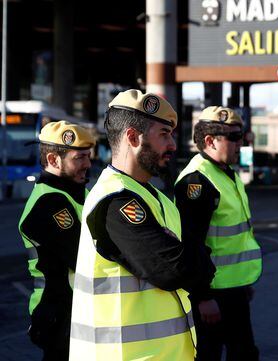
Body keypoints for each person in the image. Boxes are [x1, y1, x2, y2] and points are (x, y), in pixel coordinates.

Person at [69, 89, 215, 360]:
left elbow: (187, 266)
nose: (172, 144)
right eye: (163, 134)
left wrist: (191, 257)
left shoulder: (156, 196)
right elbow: (174, 271)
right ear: (133, 138)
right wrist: (195, 252)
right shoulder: (115, 200)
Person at [175, 106, 262, 361]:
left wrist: (241, 284)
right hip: (212, 294)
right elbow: (190, 243)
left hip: (231, 290)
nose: (240, 144)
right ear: (210, 141)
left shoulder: (225, 173)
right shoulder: (198, 182)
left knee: (245, 354)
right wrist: (203, 297)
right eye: (233, 138)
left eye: (242, 137)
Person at [18, 120, 95, 361]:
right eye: (79, 158)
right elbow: (85, 255)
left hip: (78, 311)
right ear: (53, 160)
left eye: (88, 156)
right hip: (59, 315)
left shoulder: (79, 191)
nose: (88, 164)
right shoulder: (48, 202)